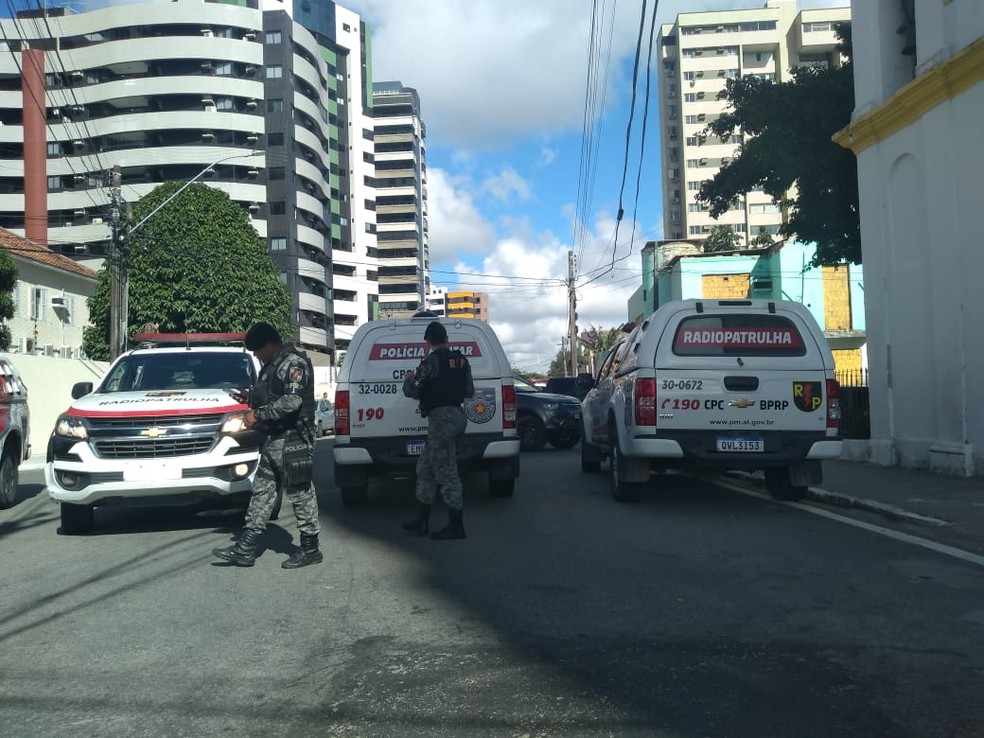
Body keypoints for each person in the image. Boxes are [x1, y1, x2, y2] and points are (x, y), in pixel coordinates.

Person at [212, 322, 323, 569]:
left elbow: (292, 401)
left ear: (269, 345)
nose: (256, 356)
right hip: (274, 439)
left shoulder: (294, 363)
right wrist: (250, 397)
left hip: (294, 439)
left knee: (301, 495)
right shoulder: (273, 367)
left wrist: (257, 415)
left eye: (257, 350)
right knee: (261, 492)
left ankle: (310, 548)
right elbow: (273, 394)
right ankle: (246, 548)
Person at [401, 321, 475, 540]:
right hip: (457, 417)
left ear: (428, 342)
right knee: (425, 467)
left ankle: (456, 526)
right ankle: (421, 520)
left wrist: (408, 380)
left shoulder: (431, 361)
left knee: (447, 472)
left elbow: (412, 391)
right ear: (446, 339)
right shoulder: (462, 361)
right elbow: (470, 392)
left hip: (441, 422)